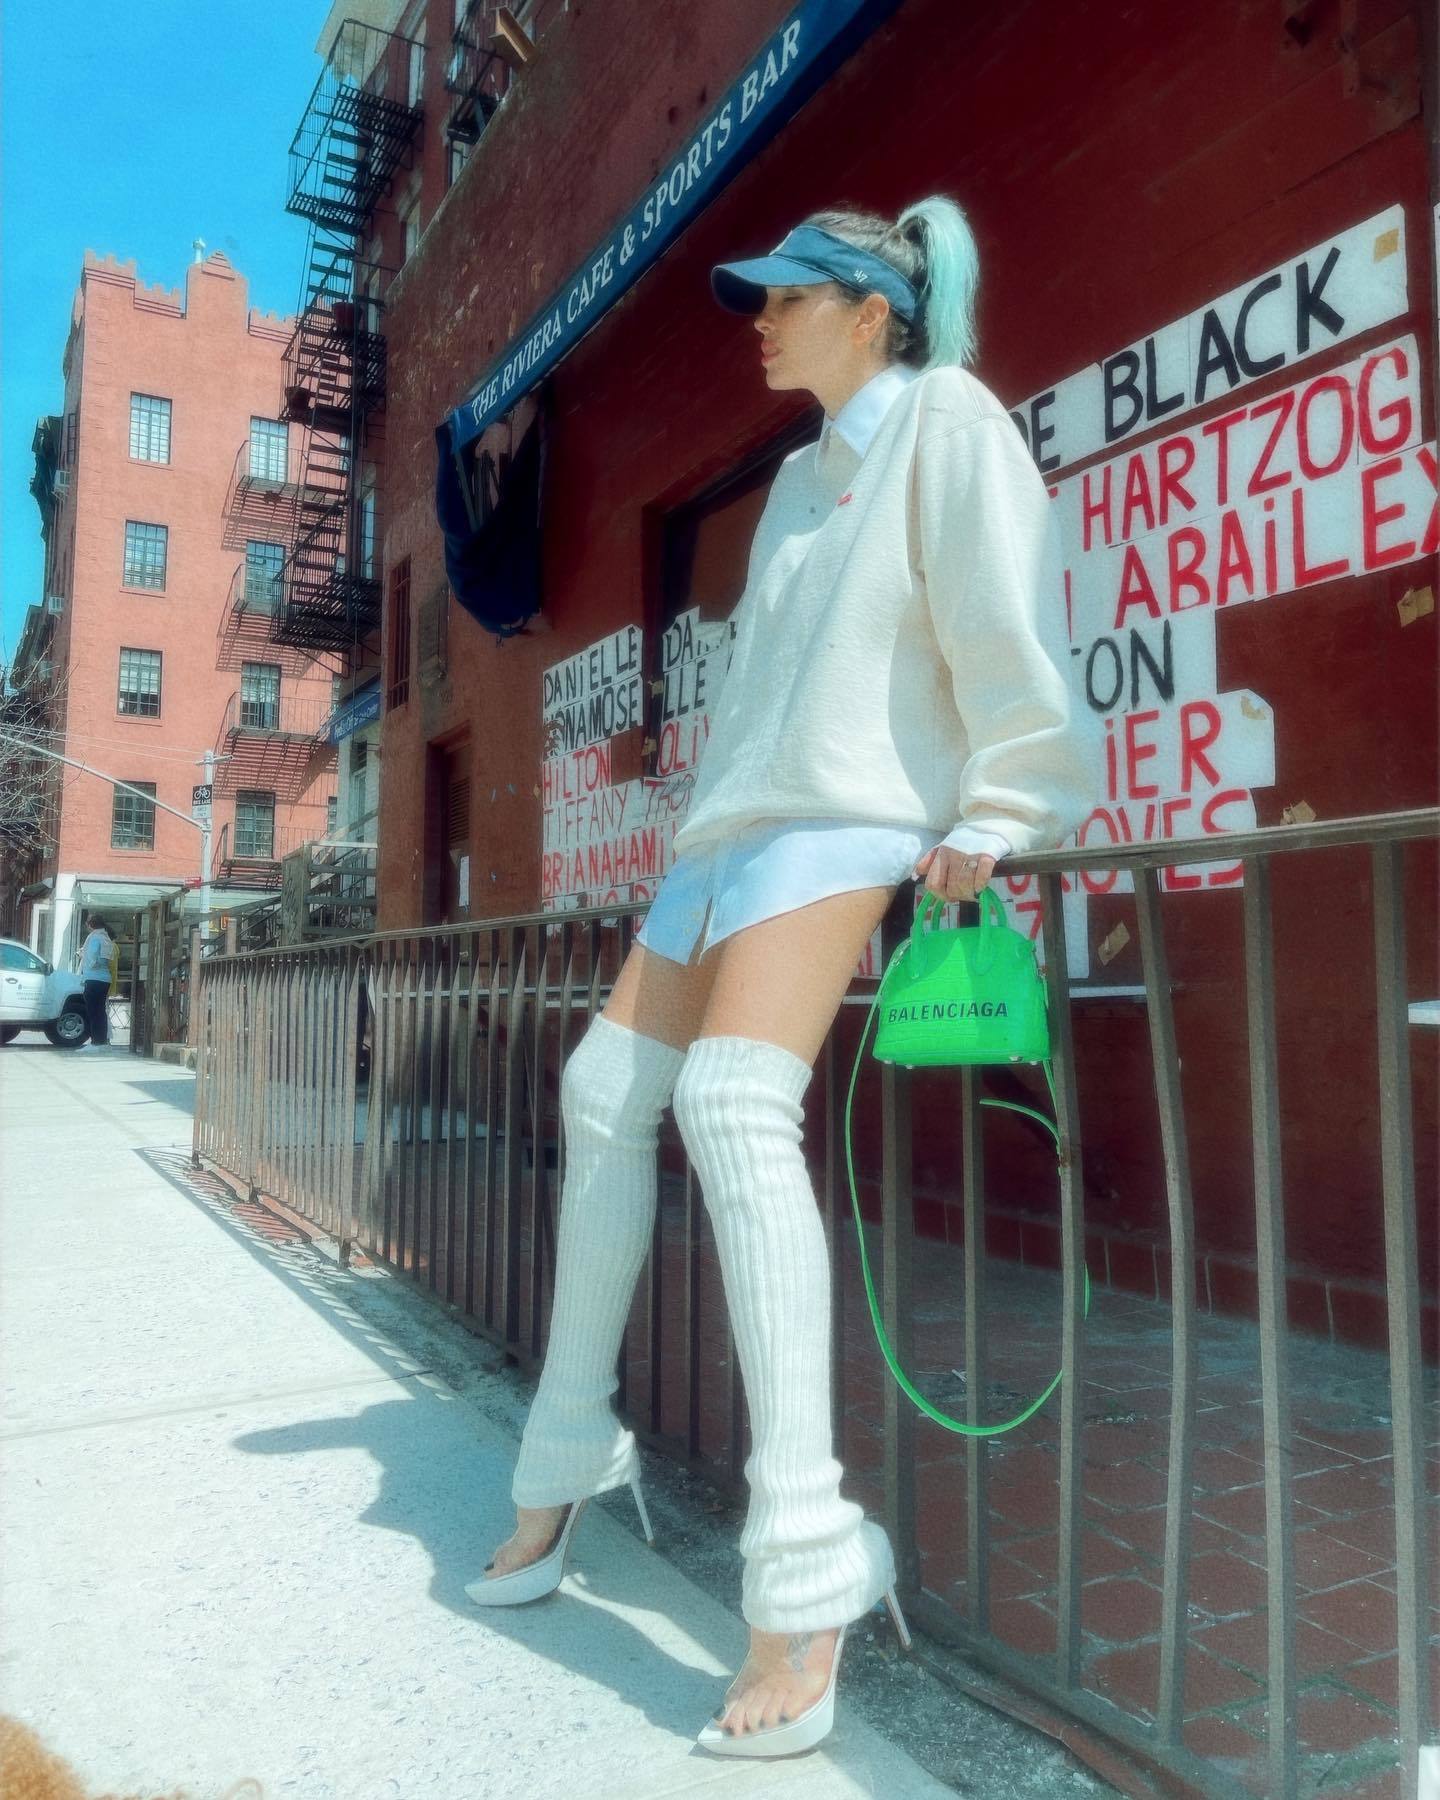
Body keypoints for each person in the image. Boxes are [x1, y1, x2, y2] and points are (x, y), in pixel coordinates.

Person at [467, 197, 1100, 1754]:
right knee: (602, 1092)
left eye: (785, 297)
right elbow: (760, 693)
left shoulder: (948, 423)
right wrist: (693, 834)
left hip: (846, 817)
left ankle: (808, 1568)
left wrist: (1003, 807)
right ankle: (569, 1450)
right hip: (730, 836)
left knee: (736, 1107)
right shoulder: (800, 483)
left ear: (871, 311)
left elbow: (1005, 622)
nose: (756, 321)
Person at [77, 914, 115, 1049]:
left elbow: (93, 955)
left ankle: (95, 1042)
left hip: (93, 978)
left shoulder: (94, 937)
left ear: (90, 925)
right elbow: (105, 958)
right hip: (104, 979)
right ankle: (102, 1041)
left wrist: (88, 962)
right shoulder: (106, 937)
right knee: (100, 1011)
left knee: (92, 1012)